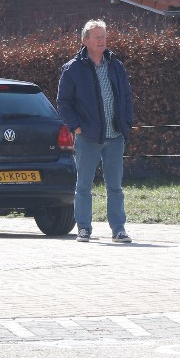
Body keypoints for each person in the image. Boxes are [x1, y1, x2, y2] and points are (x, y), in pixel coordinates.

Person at [57, 19, 134, 244]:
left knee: (115, 187)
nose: (102, 40)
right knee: (83, 186)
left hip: (115, 135)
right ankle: (83, 229)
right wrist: (76, 127)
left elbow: (127, 97)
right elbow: (63, 102)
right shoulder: (73, 68)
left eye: (104, 36)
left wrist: (126, 122)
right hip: (88, 137)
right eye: (97, 37)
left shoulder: (116, 65)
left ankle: (119, 230)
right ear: (85, 40)